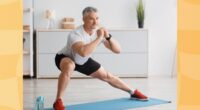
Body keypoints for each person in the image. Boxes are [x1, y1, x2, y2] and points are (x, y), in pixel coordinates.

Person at [53, 6, 148, 110]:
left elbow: (117, 50)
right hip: (65, 57)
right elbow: (83, 52)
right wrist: (99, 38)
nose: (95, 22)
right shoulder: (75, 34)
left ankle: (133, 92)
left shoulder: (99, 31)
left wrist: (108, 37)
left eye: (97, 18)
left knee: (107, 75)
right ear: (84, 19)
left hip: (82, 61)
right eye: (91, 19)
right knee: (70, 66)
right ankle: (58, 101)